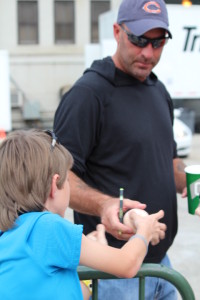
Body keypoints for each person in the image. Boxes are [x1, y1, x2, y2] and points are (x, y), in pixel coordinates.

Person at [53, 0, 187, 299]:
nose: (148, 53)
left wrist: (189, 181)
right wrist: (104, 205)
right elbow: (57, 178)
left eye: (158, 42)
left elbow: (170, 159)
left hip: (160, 266)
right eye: (139, 40)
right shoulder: (88, 94)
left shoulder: (158, 90)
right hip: (111, 271)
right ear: (117, 31)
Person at [0, 129, 166, 300]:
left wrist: (94, 252)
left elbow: (72, 292)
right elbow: (127, 264)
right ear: (54, 185)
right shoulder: (48, 226)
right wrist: (144, 231)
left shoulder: (9, 233)